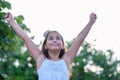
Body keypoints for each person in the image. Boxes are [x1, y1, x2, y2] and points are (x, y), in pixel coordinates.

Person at [5, 12, 97, 80]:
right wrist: (12, 21)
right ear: (45, 45)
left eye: (58, 38)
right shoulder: (40, 58)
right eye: (51, 38)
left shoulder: (66, 59)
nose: (55, 40)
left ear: (62, 45)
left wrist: (91, 22)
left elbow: (79, 39)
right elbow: (26, 38)